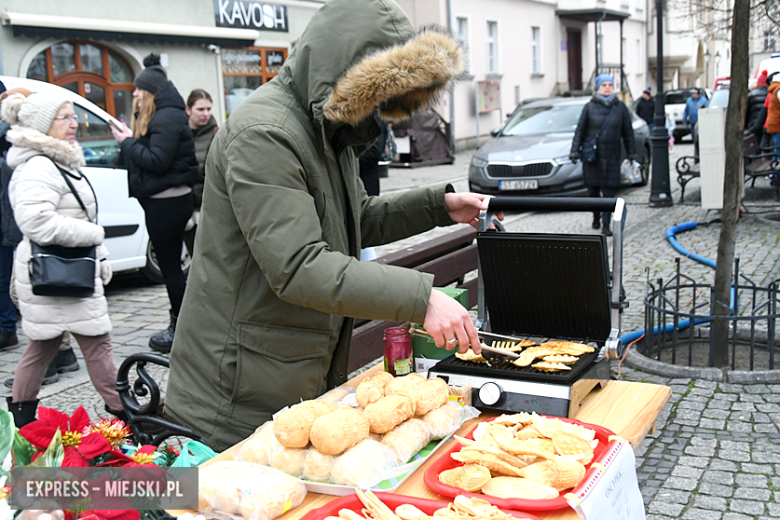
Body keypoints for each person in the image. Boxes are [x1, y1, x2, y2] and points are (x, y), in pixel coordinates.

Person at [164, 0, 495, 451]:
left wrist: (439, 206)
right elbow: (299, 266)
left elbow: (354, 220)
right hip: (236, 398)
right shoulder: (266, 132)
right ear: (347, 74)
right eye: (377, 94)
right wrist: (422, 298)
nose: (379, 109)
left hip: (287, 378)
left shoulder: (327, 128)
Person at [1, 92, 122, 427]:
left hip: (63, 270)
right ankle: (127, 418)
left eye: (73, 116)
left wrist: (100, 254)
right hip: (58, 273)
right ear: (43, 125)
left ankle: (22, 423)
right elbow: (36, 221)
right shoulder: (39, 165)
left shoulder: (53, 161)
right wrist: (94, 236)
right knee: (97, 345)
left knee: (43, 348)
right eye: (65, 118)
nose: (74, 124)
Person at [111, 54, 198, 354]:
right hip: (164, 200)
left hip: (168, 203)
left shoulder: (166, 117)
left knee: (171, 268)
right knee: (173, 267)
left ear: (149, 91)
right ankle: (185, 322)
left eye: (138, 89)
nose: (133, 93)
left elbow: (157, 161)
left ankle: (181, 328)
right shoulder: (162, 114)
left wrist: (126, 142)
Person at [0, 87, 80, 387]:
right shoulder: (24, 146)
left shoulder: (32, 149)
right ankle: (62, 354)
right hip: (22, 232)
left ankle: (48, 364)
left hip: (35, 238)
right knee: (30, 296)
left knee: (30, 296)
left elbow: (38, 212)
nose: (73, 124)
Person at [569, 74, 636, 237]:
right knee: (593, 191)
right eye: (604, 85)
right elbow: (580, 130)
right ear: (598, 87)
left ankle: (606, 224)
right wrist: (574, 150)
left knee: (609, 191)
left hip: (612, 156)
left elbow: (628, 132)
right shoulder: (589, 107)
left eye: (610, 85)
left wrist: (631, 153)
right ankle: (596, 216)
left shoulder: (620, 107)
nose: (607, 87)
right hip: (593, 157)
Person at [184, 89, 218, 254]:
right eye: (200, 109)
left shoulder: (216, 133)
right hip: (184, 205)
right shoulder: (179, 131)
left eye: (209, 109)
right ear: (188, 110)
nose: (206, 114)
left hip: (207, 205)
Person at [682, 89, 707, 157]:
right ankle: (696, 147)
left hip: (700, 122)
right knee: (693, 136)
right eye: (692, 94)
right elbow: (686, 110)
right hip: (692, 122)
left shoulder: (703, 100)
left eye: (695, 94)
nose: (693, 95)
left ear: (698, 94)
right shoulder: (689, 100)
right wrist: (684, 120)